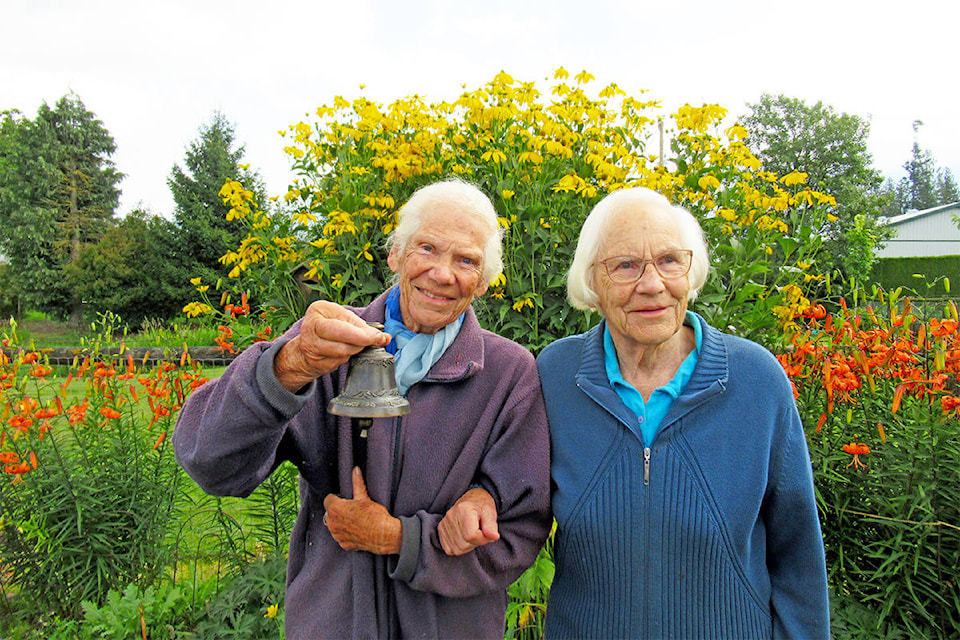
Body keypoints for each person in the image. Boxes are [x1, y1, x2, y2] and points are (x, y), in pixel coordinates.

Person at [173, 179, 552, 640]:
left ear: (484, 281)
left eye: (466, 260)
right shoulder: (327, 342)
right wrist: (289, 365)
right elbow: (209, 463)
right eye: (427, 248)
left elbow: (521, 530)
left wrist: (402, 540)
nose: (443, 273)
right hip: (333, 623)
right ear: (395, 255)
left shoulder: (509, 373)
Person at [536, 187, 830, 639]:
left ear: (691, 273)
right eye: (626, 265)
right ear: (591, 283)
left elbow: (798, 554)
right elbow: (509, 489)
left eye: (670, 260)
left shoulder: (756, 379)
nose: (652, 284)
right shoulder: (556, 375)